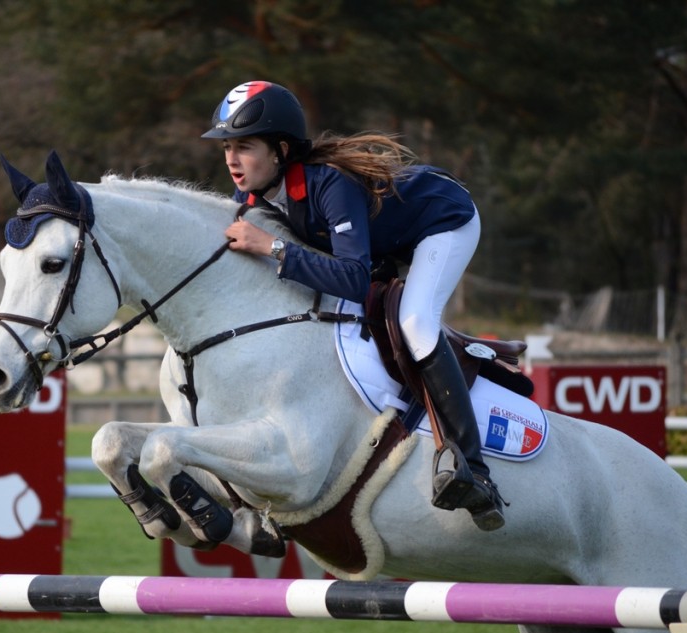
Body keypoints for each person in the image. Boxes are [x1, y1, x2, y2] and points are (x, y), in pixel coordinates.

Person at [202, 81, 505, 531]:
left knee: (416, 322)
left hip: (443, 221)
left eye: (245, 146)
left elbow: (352, 278)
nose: (231, 158)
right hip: (388, 238)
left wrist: (273, 248)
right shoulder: (252, 194)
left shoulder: (330, 184)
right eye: (227, 146)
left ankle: (472, 468)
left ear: (281, 149)